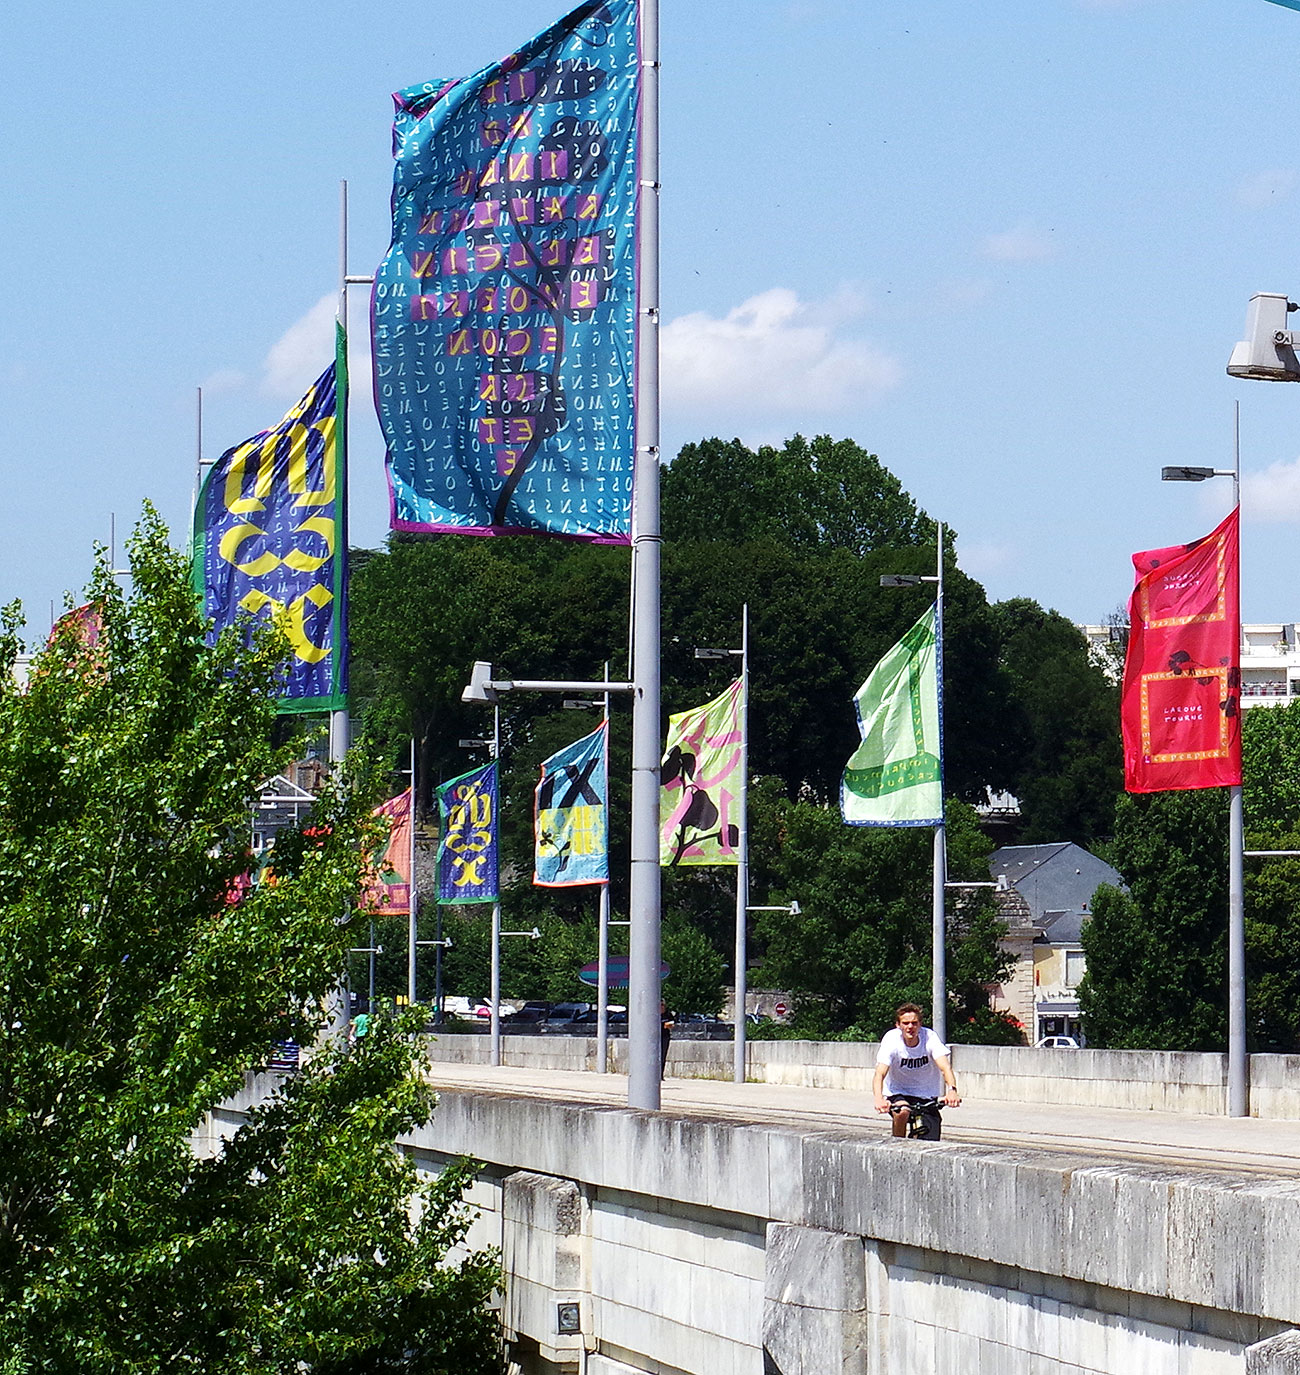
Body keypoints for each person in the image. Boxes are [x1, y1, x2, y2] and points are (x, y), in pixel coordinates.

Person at [872, 1003, 960, 1140]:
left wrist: (952, 1091)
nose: (910, 1027)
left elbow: (945, 1068)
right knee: (902, 1111)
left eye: (914, 1023)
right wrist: (879, 1098)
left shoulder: (929, 1037)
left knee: (930, 1140)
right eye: (905, 1023)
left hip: (925, 1095)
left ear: (920, 1024)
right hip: (898, 1091)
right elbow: (880, 1073)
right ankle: (897, 1143)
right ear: (898, 1025)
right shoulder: (891, 1040)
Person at [660, 1000, 673, 1080]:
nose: (661, 1007)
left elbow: (672, 1023)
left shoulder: (668, 1014)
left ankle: (661, 1074)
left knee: (663, 1056)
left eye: (662, 1005)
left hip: (665, 1036)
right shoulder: (654, 1014)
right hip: (656, 1037)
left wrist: (669, 1025)